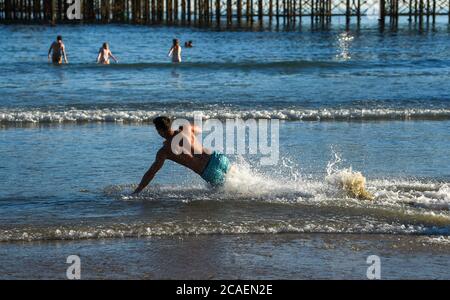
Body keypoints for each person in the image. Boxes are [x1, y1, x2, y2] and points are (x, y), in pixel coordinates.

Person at [133, 117, 231, 194]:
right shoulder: (185, 128)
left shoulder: (164, 151)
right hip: (217, 158)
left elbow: (152, 172)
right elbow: (199, 130)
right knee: (237, 179)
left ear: (160, 131)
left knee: (229, 192)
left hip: (208, 171)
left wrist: (137, 190)